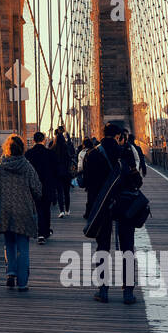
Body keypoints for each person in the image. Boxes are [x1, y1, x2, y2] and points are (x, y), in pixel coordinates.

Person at [81, 123, 141, 305]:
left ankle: (103, 290)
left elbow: (87, 184)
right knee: (127, 248)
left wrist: (92, 209)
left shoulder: (91, 155)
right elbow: (137, 182)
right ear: (118, 136)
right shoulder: (126, 153)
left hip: (102, 207)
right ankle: (128, 292)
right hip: (125, 206)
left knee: (102, 247)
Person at [0, 134, 42, 292]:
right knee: (23, 247)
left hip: (4, 210)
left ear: (7, 148)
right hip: (23, 210)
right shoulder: (27, 167)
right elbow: (37, 189)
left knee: (9, 242)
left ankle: (10, 272)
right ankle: (22, 283)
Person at [24, 130, 59, 244]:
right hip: (48, 185)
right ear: (44, 140)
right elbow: (55, 171)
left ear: (33, 140)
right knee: (46, 209)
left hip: (33, 186)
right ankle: (46, 231)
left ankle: (39, 233)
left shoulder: (28, 154)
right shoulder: (50, 154)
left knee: (37, 209)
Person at [53, 127, 75, 218]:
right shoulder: (67, 148)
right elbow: (72, 155)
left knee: (59, 192)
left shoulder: (53, 148)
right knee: (67, 192)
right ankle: (67, 210)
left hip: (57, 173)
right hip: (67, 172)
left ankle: (61, 210)